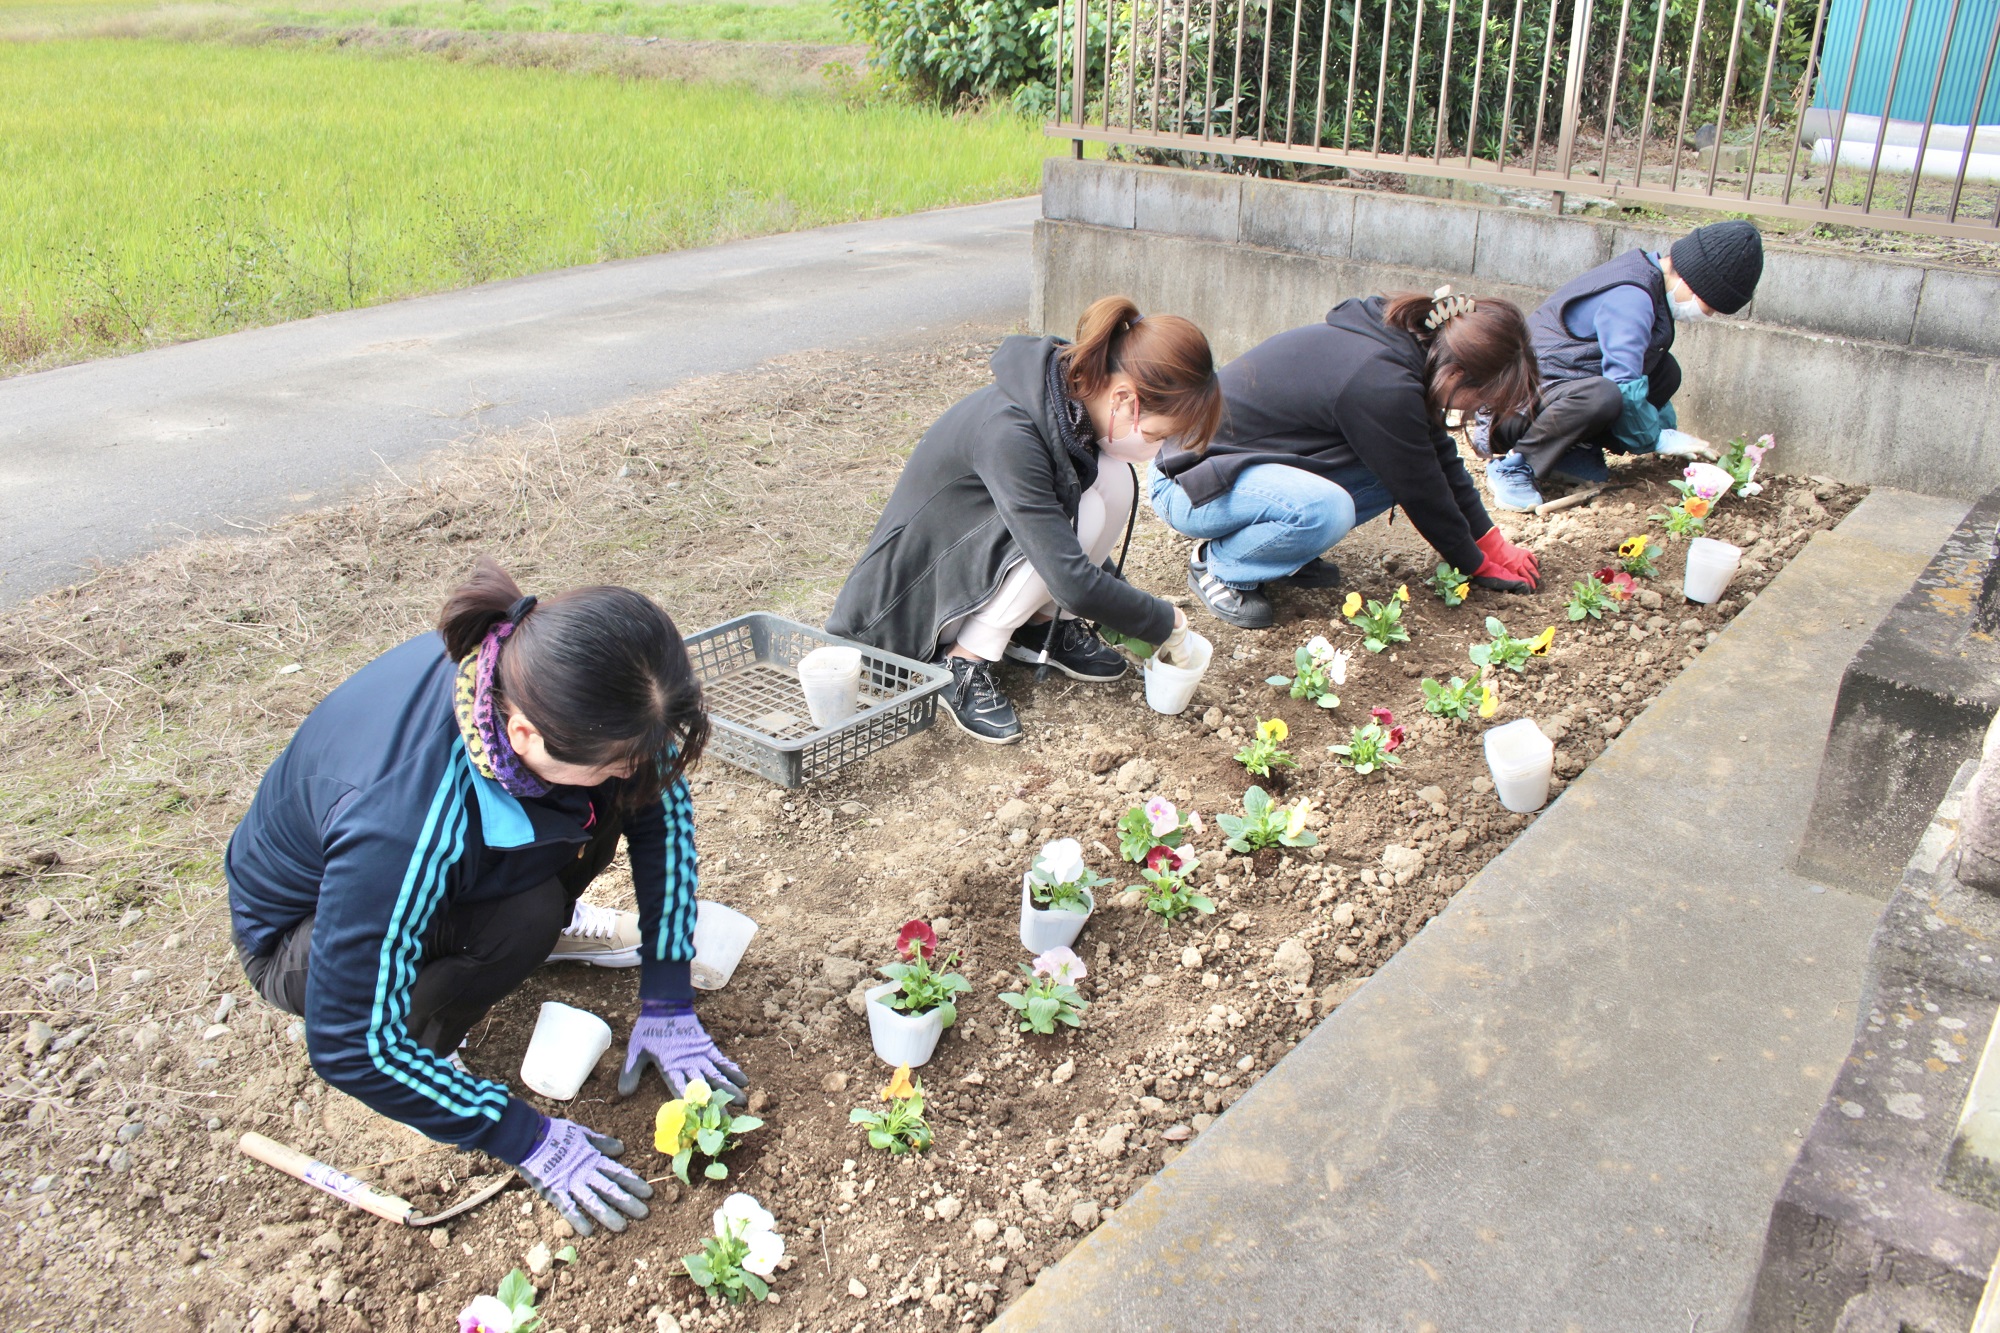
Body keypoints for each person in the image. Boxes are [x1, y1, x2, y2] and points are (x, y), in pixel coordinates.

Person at [225, 558, 743, 1238]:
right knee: (523, 918)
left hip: (416, 864)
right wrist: (524, 1136)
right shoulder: (402, 821)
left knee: (612, 802)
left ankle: (512, 923)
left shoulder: (549, 678)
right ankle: (430, 1038)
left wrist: (669, 994)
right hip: (301, 935)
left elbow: (657, 807)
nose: (629, 767)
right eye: (613, 756)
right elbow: (347, 1040)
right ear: (525, 735)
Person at [827, 296, 1224, 744]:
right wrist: (1162, 621)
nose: (1158, 450)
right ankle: (963, 660)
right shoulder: (1010, 432)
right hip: (906, 607)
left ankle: (1039, 629)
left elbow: (1072, 555)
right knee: (1082, 511)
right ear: (1124, 400)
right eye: (1158, 436)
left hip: (967, 565)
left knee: (1113, 481)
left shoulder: (1065, 405)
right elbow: (1069, 573)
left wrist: (1124, 602)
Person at [1151, 289, 1543, 630]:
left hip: (1238, 470)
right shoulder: (1380, 382)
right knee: (1325, 509)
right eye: (1484, 401)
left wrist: (1490, 542)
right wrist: (1474, 562)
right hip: (1187, 483)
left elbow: (1435, 459)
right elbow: (1423, 491)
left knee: (1392, 469)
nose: (1482, 410)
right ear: (1457, 373)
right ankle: (1220, 565)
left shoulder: (1409, 350)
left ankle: (1282, 552)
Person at [1482, 218, 1766, 511]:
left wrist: (1665, 429)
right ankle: (1517, 466)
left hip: (1551, 397)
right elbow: (1623, 384)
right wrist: (1654, 437)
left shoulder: (1649, 284)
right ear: (1694, 283)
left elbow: (1638, 374)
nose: (1707, 315)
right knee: (1603, 395)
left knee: (1665, 371)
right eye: (1710, 308)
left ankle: (1570, 451)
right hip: (1511, 409)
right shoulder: (1633, 297)